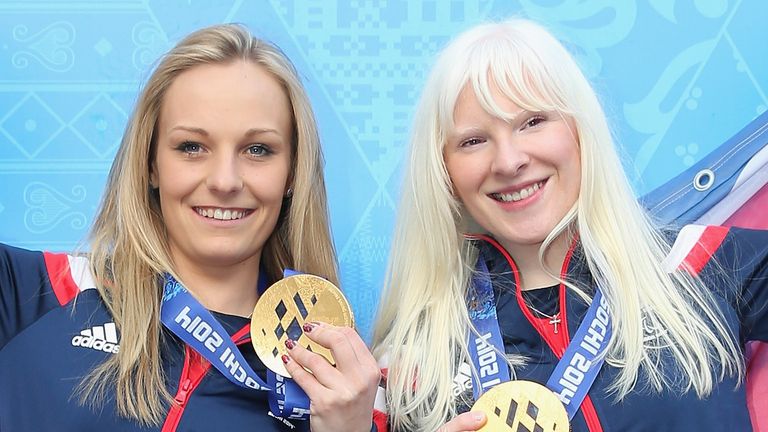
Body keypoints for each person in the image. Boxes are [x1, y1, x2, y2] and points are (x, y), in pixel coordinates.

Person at [371, 18, 768, 431]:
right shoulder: (410, 360)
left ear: (580, 130)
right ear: (443, 170)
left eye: (532, 122)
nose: (509, 161)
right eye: (473, 141)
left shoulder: (702, 265)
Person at [0, 24, 380, 431]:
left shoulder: (339, 385)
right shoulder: (32, 293)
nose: (224, 181)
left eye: (258, 150)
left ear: (292, 175)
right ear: (150, 165)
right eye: (192, 147)